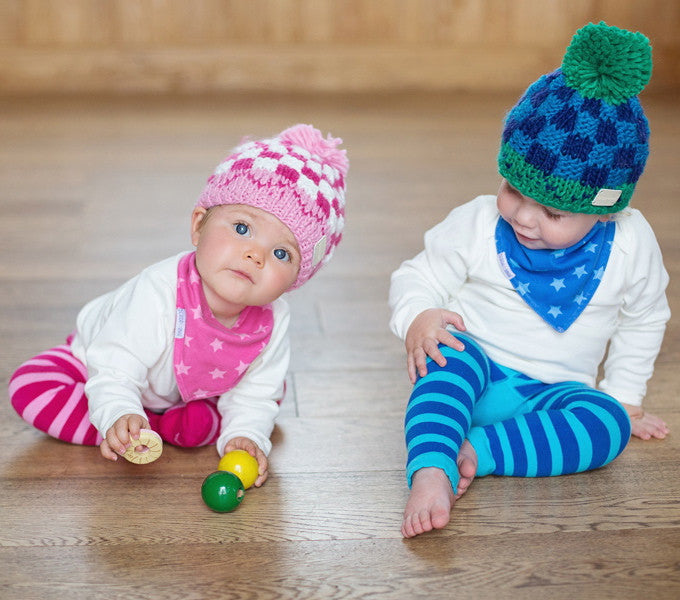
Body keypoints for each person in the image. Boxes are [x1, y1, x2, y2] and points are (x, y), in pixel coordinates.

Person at [389, 22, 670, 538]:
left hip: (556, 393)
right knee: (445, 361)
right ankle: (430, 467)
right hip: (477, 367)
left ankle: (478, 451)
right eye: (512, 189)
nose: (522, 217)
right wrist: (420, 316)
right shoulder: (475, 224)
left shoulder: (630, 243)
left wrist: (626, 395)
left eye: (552, 213)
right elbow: (418, 275)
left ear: (604, 211)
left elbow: (644, 315)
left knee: (605, 425)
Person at [9, 124, 349, 487]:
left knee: (270, 391)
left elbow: (256, 394)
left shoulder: (272, 320)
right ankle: (146, 427)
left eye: (282, 253)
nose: (255, 254)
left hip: (184, 388)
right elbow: (114, 366)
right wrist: (119, 412)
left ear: (299, 278)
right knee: (31, 386)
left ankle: (169, 421)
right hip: (99, 365)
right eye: (241, 228)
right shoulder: (159, 290)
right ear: (198, 225)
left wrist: (246, 435)